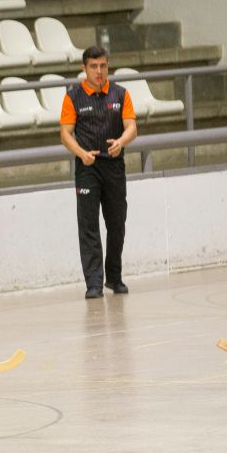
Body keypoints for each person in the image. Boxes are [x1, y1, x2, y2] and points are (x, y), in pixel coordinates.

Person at [59, 45, 137, 299]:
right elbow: (65, 133)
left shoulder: (120, 94)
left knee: (117, 224)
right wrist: (81, 153)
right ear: (84, 69)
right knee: (89, 225)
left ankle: (114, 277)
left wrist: (121, 142)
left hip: (114, 166)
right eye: (94, 66)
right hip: (87, 168)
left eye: (103, 66)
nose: (99, 71)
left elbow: (131, 127)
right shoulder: (73, 97)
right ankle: (93, 282)